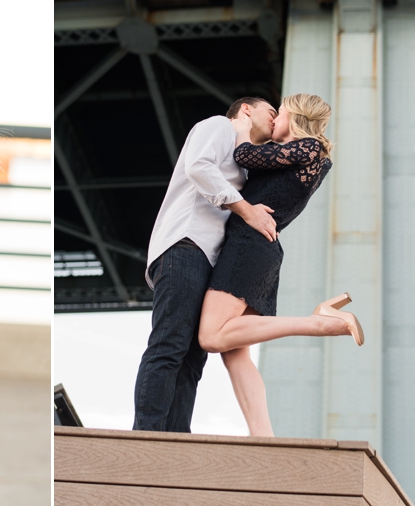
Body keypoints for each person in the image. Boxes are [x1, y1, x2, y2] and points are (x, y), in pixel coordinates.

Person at [198, 93, 363, 438]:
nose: (273, 120)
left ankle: (318, 322)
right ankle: (264, 437)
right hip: (259, 251)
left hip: (249, 247)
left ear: (297, 118)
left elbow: (244, 154)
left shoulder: (310, 149)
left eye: (280, 113)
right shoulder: (293, 157)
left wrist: (243, 127)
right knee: (235, 355)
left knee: (212, 337)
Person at [133, 97, 279, 432]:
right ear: (245, 110)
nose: (275, 120)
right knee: (169, 344)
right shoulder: (219, 125)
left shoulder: (246, 158)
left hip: (208, 257)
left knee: (192, 360)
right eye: (271, 112)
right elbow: (198, 166)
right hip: (186, 243)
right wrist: (248, 210)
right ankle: (147, 438)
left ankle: (175, 442)